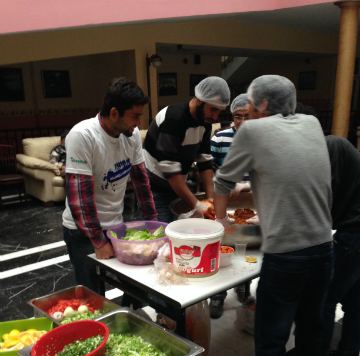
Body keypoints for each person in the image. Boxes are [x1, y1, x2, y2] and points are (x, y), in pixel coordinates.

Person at [213, 75, 333, 356]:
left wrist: (218, 225)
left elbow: (222, 182)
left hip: (287, 259)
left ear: (262, 105)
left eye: (249, 104)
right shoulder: (312, 124)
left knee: (270, 342)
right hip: (323, 249)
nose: (245, 111)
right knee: (311, 329)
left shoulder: (251, 132)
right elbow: (285, 171)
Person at [62, 77, 157, 296]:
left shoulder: (130, 136)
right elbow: (79, 198)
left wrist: (153, 225)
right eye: (135, 116)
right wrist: (97, 239)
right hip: (83, 232)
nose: (139, 123)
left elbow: (141, 182)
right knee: (93, 295)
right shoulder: (82, 135)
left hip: (116, 227)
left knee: (134, 286)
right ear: (114, 113)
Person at [143, 76, 231, 223]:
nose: (216, 117)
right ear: (199, 100)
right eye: (213, 109)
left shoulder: (205, 123)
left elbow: (205, 163)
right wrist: (197, 204)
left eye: (219, 111)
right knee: (161, 237)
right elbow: (170, 171)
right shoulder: (173, 119)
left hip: (177, 188)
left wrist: (210, 200)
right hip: (154, 190)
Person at [320, 135, 360, 356]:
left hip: (352, 235)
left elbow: (326, 197)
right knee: (356, 303)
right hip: (355, 233)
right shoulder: (333, 147)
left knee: (324, 301)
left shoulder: (330, 145)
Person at [208, 93, 251, 319]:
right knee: (223, 249)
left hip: (251, 206)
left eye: (247, 116)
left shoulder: (261, 139)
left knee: (246, 249)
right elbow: (213, 171)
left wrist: (246, 184)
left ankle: (243, 285)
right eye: (237, 116)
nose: (242, 122)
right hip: (225, 205)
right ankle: (218, 294)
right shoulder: (220, 139)